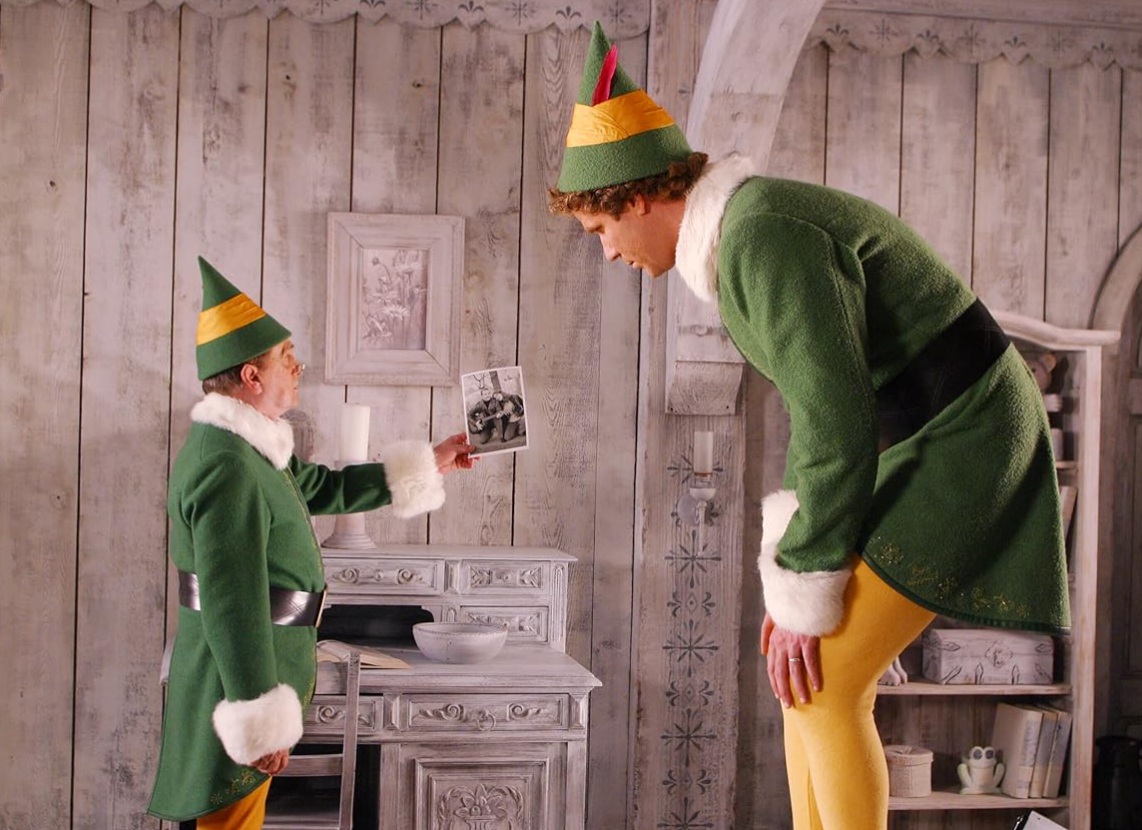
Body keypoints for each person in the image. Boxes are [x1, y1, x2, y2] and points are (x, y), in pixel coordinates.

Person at [548, 23, 1068, 830]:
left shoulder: (763, 236)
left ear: (637, 197)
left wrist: (808, 580)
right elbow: (821, 411)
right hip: (925, 436)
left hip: (964, 436)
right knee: (808, 682)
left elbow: (835, 417)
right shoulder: (744, 239)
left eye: (600, 231)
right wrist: (799, 569)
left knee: (828, 684)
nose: (609, 253)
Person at [147, 257, 475, 829]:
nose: (297, 367)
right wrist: (258, 718)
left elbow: (323, 488)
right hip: (234, 687)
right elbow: (232, 602)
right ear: (251, 376)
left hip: (252, 673)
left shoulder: (249, 448)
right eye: (286, 357)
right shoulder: (228, 465)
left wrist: (433, 461)